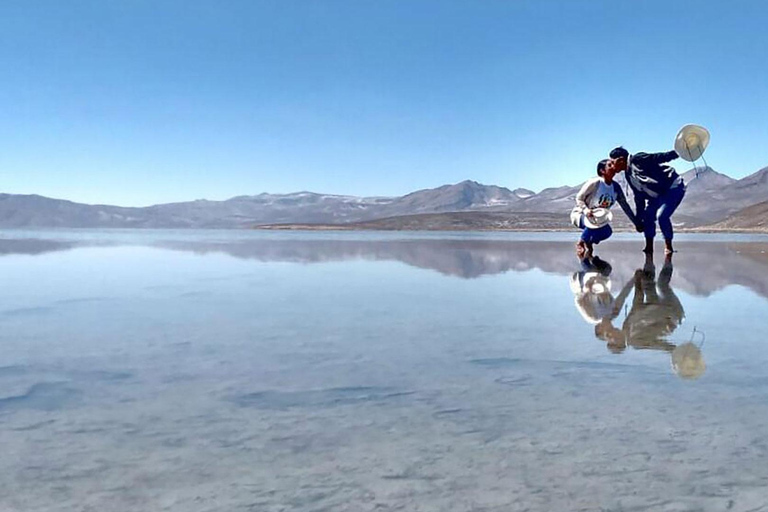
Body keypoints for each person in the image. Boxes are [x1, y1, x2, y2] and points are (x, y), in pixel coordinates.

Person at [609, 146, 685, 255]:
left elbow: (658, 157)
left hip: (672, 187)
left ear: (620, 160)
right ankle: (649, 247)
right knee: (648, 217)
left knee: (662, 216)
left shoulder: (638, 159)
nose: (611, 166)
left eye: (612, 162)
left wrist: (677, 153)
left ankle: (669, 246)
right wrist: (639, 219)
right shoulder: (628, 175)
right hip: (656, 195)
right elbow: (638, 197)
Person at [571, 159, 641, 259]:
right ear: (602, 171)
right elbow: (579, 198)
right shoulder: (595, 183)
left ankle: (588, 242)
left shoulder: (615, 187)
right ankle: (581, 243)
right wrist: (586, 210)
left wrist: (636, 222)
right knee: (593, 224)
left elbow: (625, 206)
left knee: (607, 232)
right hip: (581, 214)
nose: (613, 167)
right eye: (609, 165)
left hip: (599, 219)